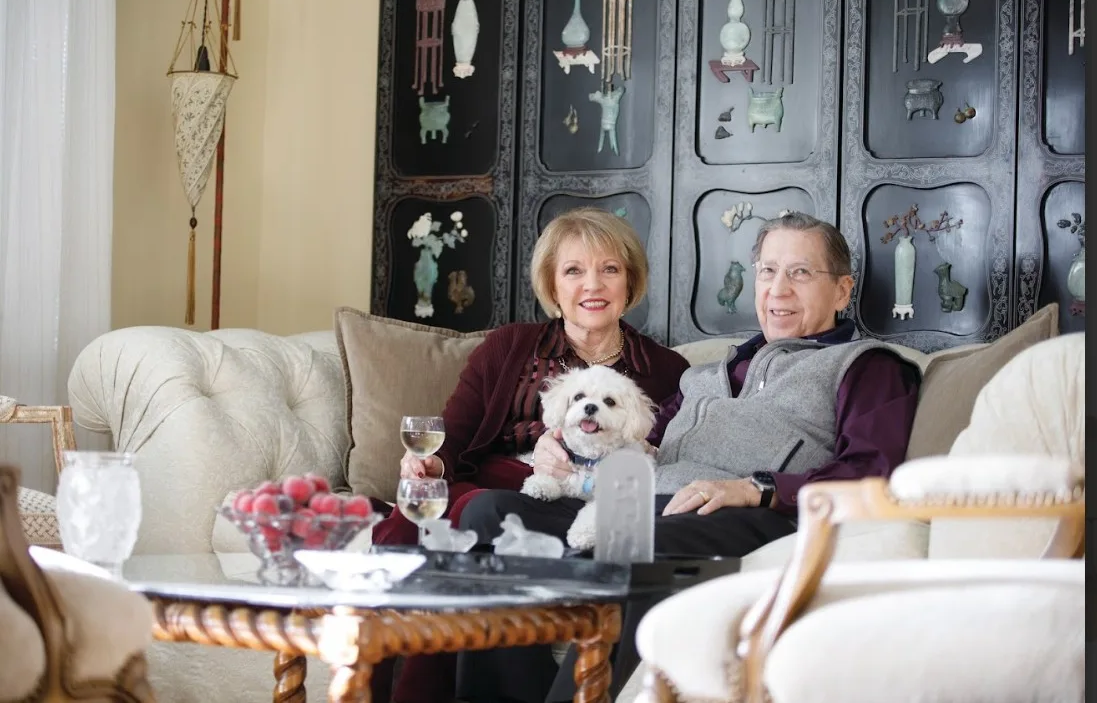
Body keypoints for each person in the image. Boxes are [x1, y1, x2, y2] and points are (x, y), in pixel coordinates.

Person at [455, 211, 923, 703]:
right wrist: (564, 444)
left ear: (843, 291)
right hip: (645, 498)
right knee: (492, 513)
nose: (779, 289)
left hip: (745, 513)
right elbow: (639, 440)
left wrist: (757, 489)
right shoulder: (707, 373)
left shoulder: (866, 367)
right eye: (767, 271)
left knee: (635, 542)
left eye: (800, 273)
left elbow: (871, 471)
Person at [368, 207, 691, 703]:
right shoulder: (509, 346)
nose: (593, 285)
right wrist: (430, 463)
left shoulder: (665, 371)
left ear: (630, 281)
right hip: (490, 480)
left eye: (610, 269)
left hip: (571, 502)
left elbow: (654, 458)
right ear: (552, 284)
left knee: (465, 519)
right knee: (410, 524)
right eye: (574, 270)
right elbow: (454, 433)